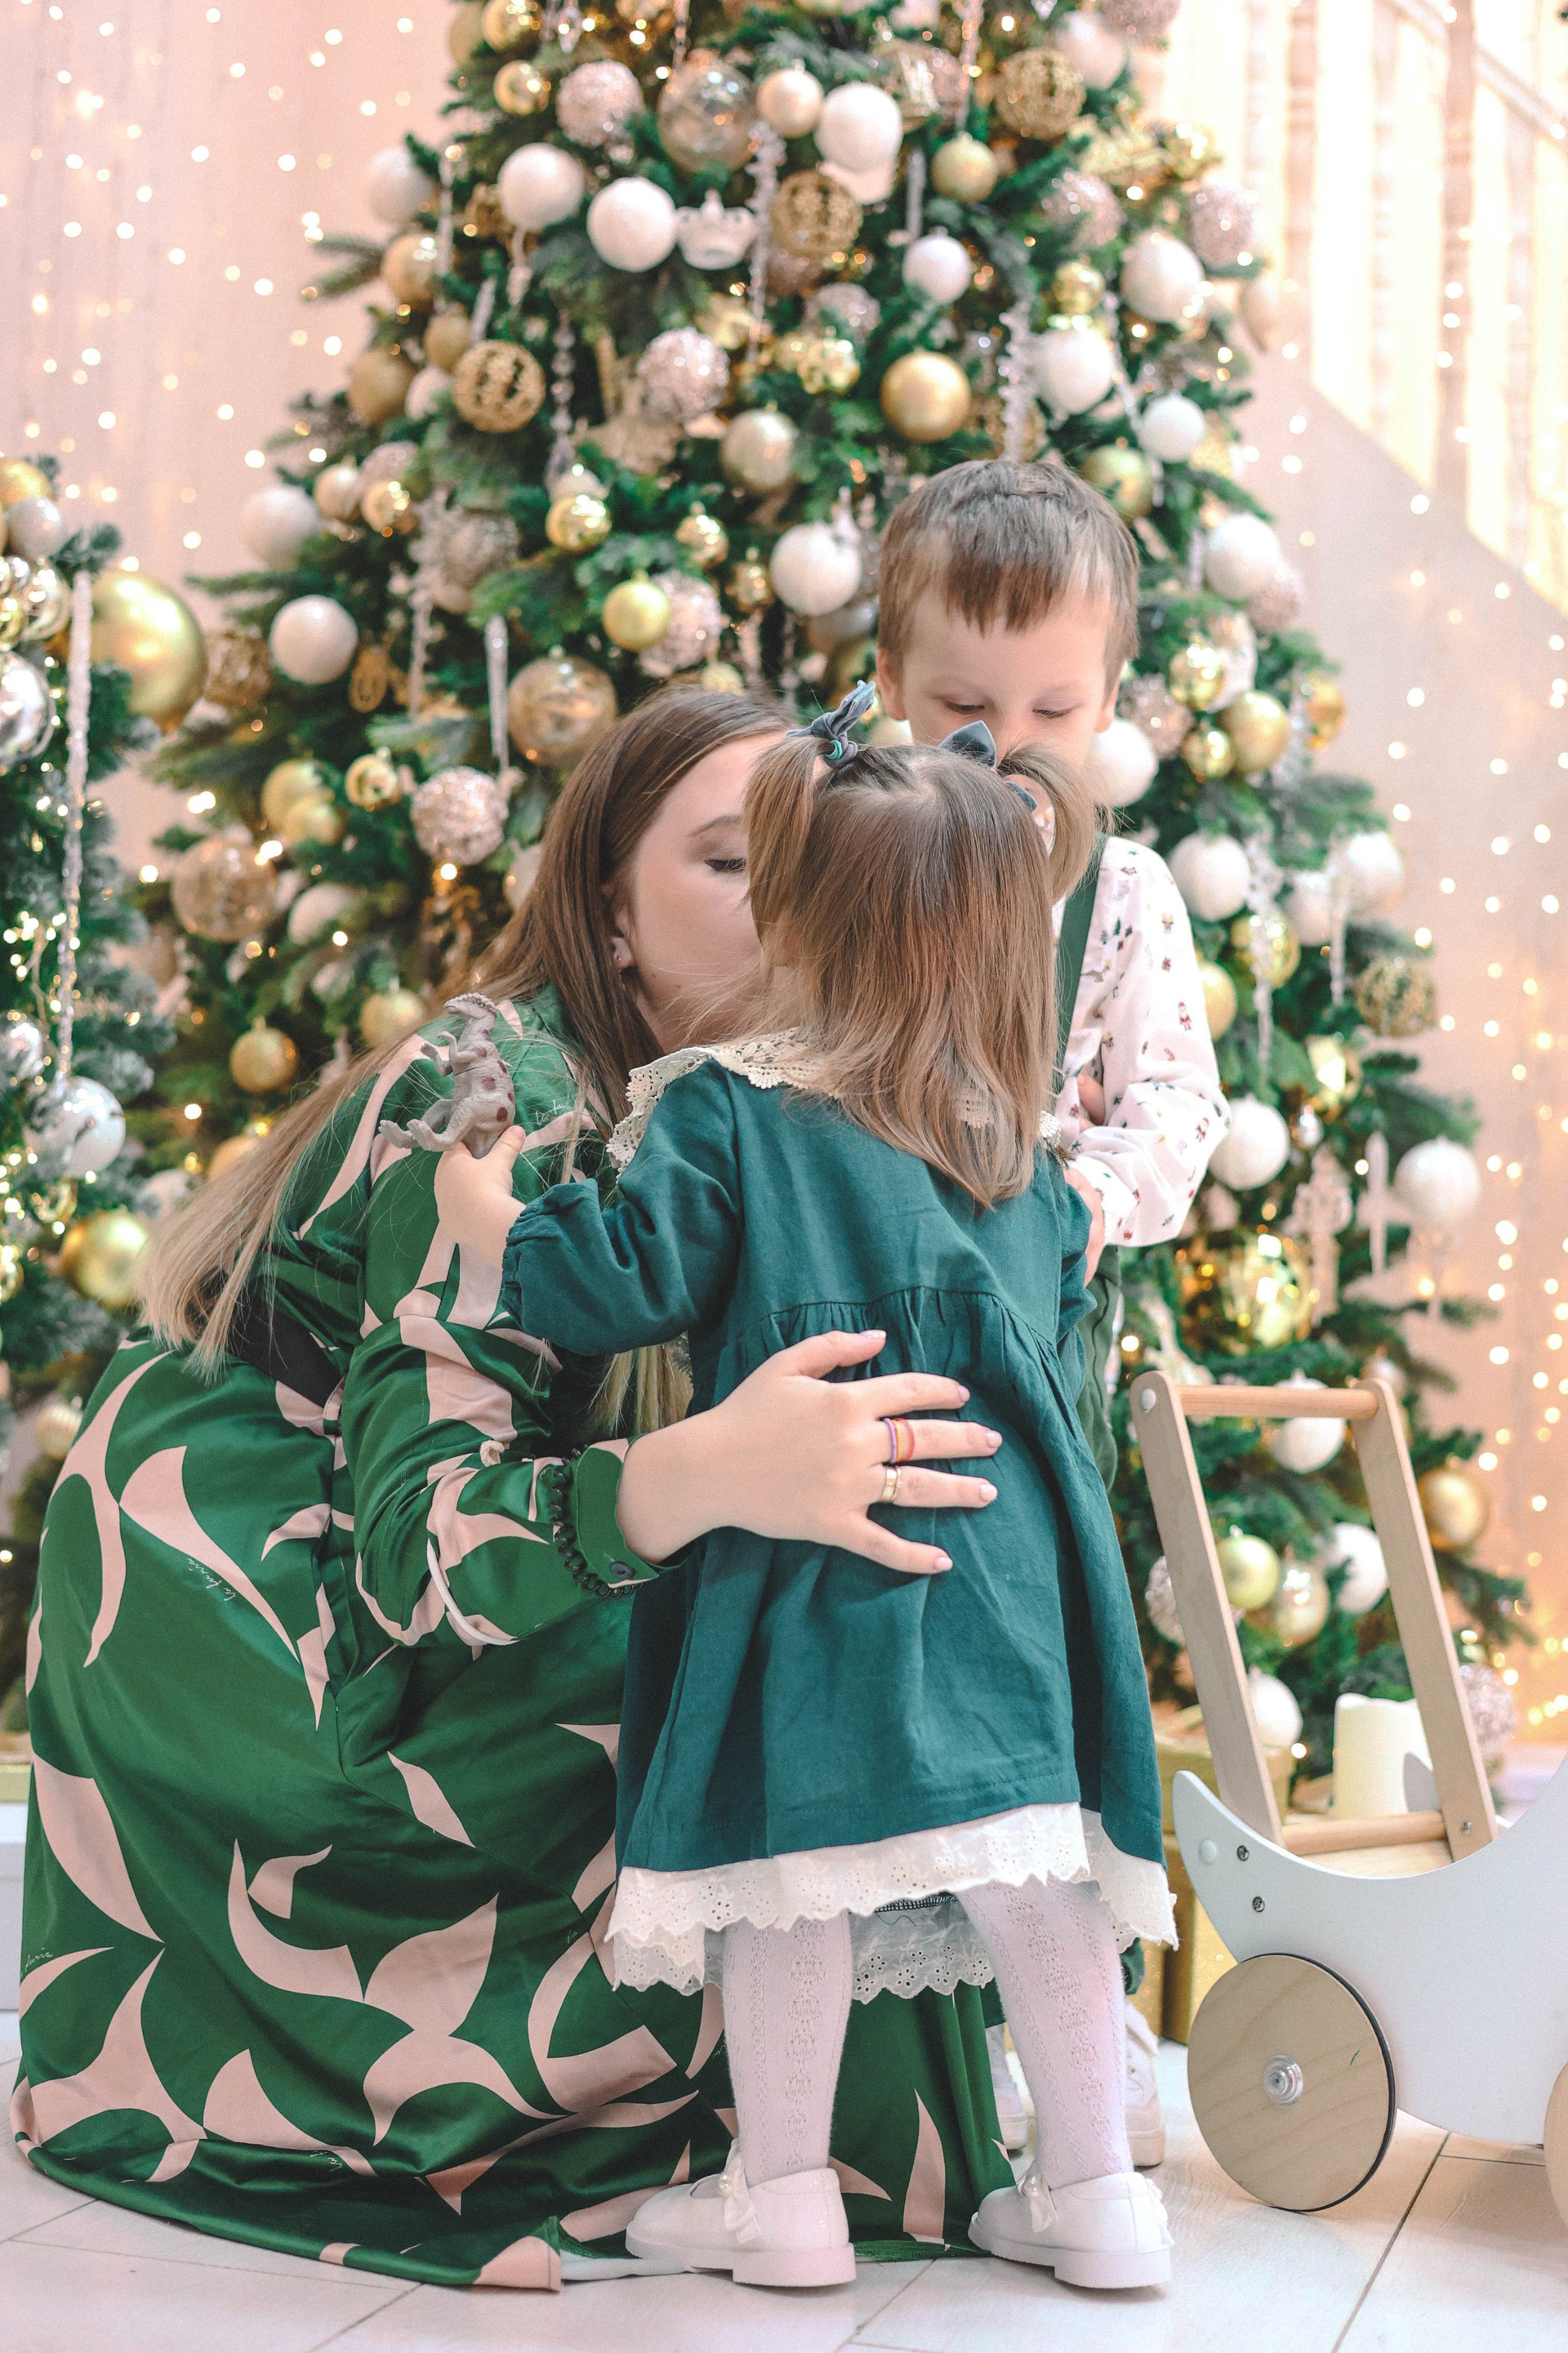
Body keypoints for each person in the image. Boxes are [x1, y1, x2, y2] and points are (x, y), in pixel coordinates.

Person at [13, 688, 1013, 2293]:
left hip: (461, 1556)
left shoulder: (785, 1110)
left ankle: (826, 2113)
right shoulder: (495, 1097)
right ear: (610, 916)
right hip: (260, 1602)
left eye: (808, 861)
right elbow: (421, 1552)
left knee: (809, 1636)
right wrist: (703, 1468)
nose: (790, 909)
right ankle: (665, 2124)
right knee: (729, 1679)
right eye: (731, 864)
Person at [436, 699, 1176, 2294]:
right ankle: (1099, 2189)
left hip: (812, 1567)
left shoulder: (727, 1109)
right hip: (1004, 1578)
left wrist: (495, 1225)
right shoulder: (1012, 1147)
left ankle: (780, 2195)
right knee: (1031, 1866)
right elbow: (1051, 1313)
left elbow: (622, 1281)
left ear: (804, 922)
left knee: (791, 1873)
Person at [876, 457, 1228, 2160]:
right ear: (888, 684)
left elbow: (1177, 1110)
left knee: (1041, 1674)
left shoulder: (1125, 895)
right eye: (960, 707)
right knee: (877, 1664)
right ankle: (895, 2029)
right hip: (852, 1329)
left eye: (1052, 710)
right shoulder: (854, 861)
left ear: (1110, 703)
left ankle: (1084, 2041)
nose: (1002, 747)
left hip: (1032, 1350)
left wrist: (1066, 1187)